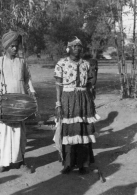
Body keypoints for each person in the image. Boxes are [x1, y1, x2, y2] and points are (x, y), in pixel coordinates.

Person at [0, 30, 36, 173]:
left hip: (20, 104)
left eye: (17, 46)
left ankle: (21, 162)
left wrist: (32, 92)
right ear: (6, 47)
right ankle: (4, 163)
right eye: (12, 46)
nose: (15, 49)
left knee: (20, 134)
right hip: (5, 104)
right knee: (4, 134)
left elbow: (27, 79)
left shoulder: (22, 62)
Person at [54, 36, 100, 174]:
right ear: (69, 49)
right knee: (69, 131)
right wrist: (58, 104)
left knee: (83, 130)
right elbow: (58, 86)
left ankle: (83, 164)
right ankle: (68, 164)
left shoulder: (86, 64)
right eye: (74, 46)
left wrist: (90, 100)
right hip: (67, 100)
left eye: (79, 46)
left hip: (83, 100)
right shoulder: (61, 63)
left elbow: (91, 84)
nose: (77, 49)